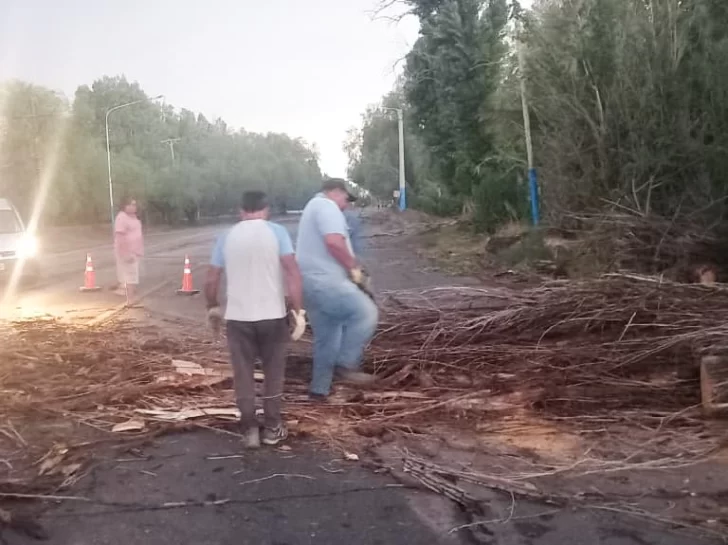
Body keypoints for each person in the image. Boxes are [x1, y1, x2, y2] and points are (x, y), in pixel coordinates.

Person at [205, 190, 305, 448]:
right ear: (266, 209)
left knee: (243, 375)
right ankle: (272, 428)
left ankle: (249, 429)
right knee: (273, 374)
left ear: (241, 210)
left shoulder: (226, 236)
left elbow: (212, 277)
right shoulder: (277, 233)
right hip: (272, 316)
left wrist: (213, 306)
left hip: (238, 319)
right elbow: (293, 273)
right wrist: (298, 310)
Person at [296, 179, 378, 400]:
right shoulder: (326, 206)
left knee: (328, 337)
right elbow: (333, 242)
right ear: (336, 192)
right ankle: (346, 364)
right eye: (345, 199)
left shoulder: (313, 206)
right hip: (326, 282)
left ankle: (319, 391)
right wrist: (354, 268)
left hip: (311, 284)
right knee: (366, 313)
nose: (346, 205)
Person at [113, 197, 144, 304]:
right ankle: (130, 299)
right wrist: (125, 253)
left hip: (135, 251)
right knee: (130, 276)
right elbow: (120, 237)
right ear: (124, 206)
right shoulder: (122, 217)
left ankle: (131, 297)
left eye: (134, 204)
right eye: (130, 204)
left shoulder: (133, 217)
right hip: (128, 251)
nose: (133, 207)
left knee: (133, 275)